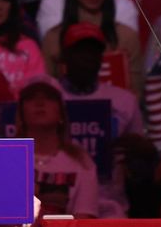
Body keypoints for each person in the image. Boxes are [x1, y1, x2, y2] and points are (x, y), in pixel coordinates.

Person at [17, 76, 100, 218]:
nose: (40, 102)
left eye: (49, 98)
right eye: (31, 98)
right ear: (21, 114)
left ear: (61, 113)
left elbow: (85, 217)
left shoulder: (81, 161)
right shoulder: (4, 158)